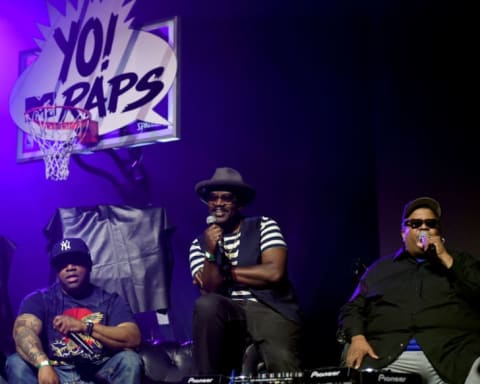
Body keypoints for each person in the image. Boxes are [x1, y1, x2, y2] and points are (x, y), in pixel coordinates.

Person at [338, 197, 480, 384]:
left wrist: (445, 258)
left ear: (439, 230)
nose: (424, 228)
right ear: (402, 233)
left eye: (431, 223)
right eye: (415, 223)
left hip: (454, 355)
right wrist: (357, 337)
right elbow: (352, 308)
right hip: (389, 356)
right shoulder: (381, 269)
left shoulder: (461, 262)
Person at [188, 167, 303, 377]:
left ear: (239, 202)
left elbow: (274, 272)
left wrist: (226, 274)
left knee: (283, 366)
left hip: (268, 307)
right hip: (229, 312)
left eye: (226, 198)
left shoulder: (264, 225)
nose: (219, 203)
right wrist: (211, 252)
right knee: (206, 305)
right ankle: (207, 379)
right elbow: (210, 289)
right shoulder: (200, 244)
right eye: (213, 198)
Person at [6, 237, 143, 384]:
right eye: (62, 263)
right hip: (54, 372)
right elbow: (22, 333)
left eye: (76, 260)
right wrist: (43, 364)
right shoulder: (39, 299)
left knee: (130, 360)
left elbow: (132, 338)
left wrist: (85, 326)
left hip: (97, 371)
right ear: (56, 270)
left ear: (89, 264)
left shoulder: (111, 301)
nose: (70, 267)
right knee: (16, 363)